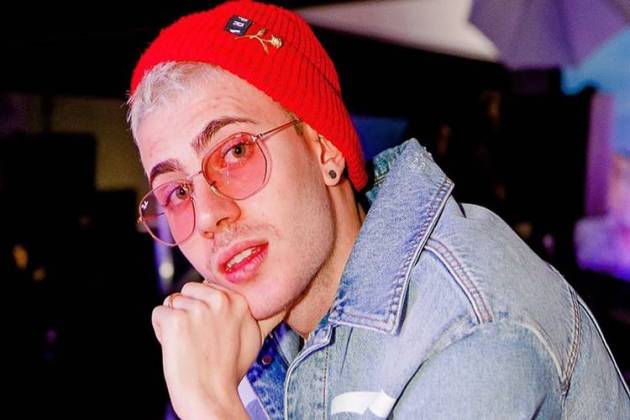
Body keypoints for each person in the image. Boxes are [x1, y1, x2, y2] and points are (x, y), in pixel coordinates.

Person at [127, 1, 630, 418]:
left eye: (236, 151)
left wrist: (210, 407)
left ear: (325, 148)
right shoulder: (250, 337)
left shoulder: (472, 330)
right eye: (177, 193)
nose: (208, 216)